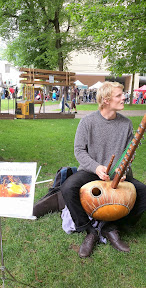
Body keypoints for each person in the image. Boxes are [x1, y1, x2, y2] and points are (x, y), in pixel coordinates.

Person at [60, 81, 146, 258]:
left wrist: (123, 170)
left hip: (118, 175)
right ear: (106, 100)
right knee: (68, 188)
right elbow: (79, 150)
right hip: (92, 171)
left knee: (143, 192)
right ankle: (89, 230)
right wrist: (96, 167)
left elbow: (129, 154)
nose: (124, 98)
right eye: (119, 95)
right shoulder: (87, 122)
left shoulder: (126, 124)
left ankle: (112, 227)